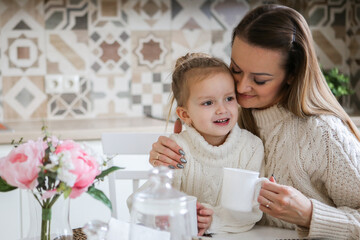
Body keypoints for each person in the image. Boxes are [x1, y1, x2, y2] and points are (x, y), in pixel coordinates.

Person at [148, 4, 360, 240]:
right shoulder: (231, 111)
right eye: (236, 69)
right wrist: (168, 156)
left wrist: (309, 214)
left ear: (292, 75)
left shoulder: (325, 134)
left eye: (259, 80)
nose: (240, 87)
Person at [129, 52, 265, 236]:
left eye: (229, 98)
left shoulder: (251, 147)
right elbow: (139, 203)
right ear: (185, 115)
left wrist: (214, 219)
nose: (222, 109)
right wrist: (172, 214)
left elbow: (253, 209)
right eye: (208, 102)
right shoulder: (177, 150)